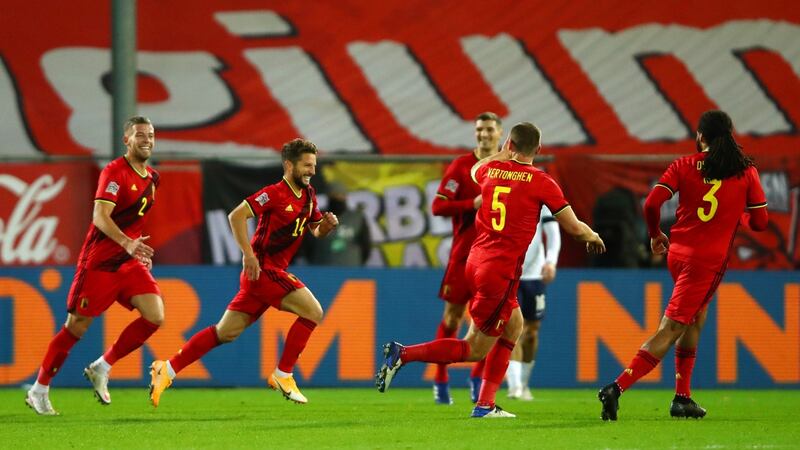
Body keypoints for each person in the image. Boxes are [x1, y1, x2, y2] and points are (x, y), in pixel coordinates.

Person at [376, 122, 605, 418]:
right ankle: (402, 354)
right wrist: (594, 236)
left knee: (515, 325)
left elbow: (476, 169)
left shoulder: (488, 171)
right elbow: (573, 227)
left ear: (508, 144)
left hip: (476, 261)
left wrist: (501, 156)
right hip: (499, 271)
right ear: (538, 150)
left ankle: (486, 403)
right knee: (474, 349)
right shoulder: (542, 181)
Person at [597, 110, 769, 421]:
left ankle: (682, 398)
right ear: (730, 134)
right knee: (672, 327)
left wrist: (654, 235)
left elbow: (651, 203)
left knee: (695, 319)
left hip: (678, 254)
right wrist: (738, 216)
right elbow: (760, 222)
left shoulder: (684, 164)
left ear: (700, 136)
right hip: (707, 262)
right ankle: (616, 387)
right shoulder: (746, 172)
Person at [149, 138, 338, 407]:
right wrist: (248, 255)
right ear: (289, 165)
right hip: (263, 270)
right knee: (314, 312)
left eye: (314, 165)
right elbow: (236, 216)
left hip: (265, 276)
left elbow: (316, 230)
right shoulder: (273, 193)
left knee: (225, 332)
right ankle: (283, 374)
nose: (312, 171)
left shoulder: (308, 195)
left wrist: (327, 227)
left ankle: (166, 369)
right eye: (307, 165)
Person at [25, 116, 163, 415]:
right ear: (126, 140)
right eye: (140, 135)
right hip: (99, 263)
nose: (147, 140)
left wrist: (136, 249)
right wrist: (127, 242)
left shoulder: (152, 177)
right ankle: (39, 389)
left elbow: (134, 221)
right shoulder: (114, 172)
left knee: (155, 316)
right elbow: (100, 216)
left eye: (151, 135)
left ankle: (102, 366)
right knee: (76, 327)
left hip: (127, 263)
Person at [429, 112, 502, 404]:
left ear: (500, 133)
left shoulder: (506, 168)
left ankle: (477, 381)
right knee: (453, 317)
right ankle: (440, 380)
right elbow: (438, 206)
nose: (483, 134)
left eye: (489, 129)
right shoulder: (461, 166)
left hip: (496, 257)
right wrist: (471, 204)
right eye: (479, 129)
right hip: (464, 255)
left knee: (491, 323)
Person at [505, 205, 560, 401]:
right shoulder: (502, 192)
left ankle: (524, 383)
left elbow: (553, 231)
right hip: (508, 273)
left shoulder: (539, 198)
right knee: (512, 328)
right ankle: (515, 386)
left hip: (534, 273)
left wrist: (551, 261)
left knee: (531, 332)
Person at [304, 182, 370, 265]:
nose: (337, 198)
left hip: (351, 270)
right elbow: (307, 246)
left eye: (340, 195)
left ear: (345, 197)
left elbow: (365, 245)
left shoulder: (357, 218)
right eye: (334, 195)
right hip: (321, 270)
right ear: (328, 197)